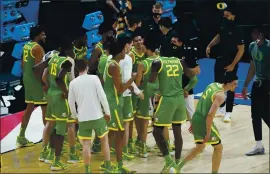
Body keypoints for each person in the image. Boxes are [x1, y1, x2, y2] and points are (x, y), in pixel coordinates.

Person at [178, 74, 238, 173]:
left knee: (199, 148)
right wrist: (208, 131)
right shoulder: (221, 95)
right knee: (218, 148)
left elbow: (200, 102)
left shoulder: (212, 85)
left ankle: (177, 167)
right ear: (228, 82)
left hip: (196, 117)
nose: (236, 86)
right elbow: (210, 115)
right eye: (235, 83)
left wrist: (193, 122)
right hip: (203, 120)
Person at [149, 55, 198, 173]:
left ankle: (168, 162)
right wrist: (185, 89)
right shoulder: (180, 61)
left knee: (156, 131)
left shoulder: (157, 63)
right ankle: (176, 165)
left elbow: (151, 84)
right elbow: (194, 79)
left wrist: (156, 91)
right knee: (177, 131)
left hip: (166, 101)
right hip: (180, 100)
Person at [68, 59, 114, 173]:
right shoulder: (94, 78)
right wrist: (107, 112)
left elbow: (70, 102)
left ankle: (87, 170)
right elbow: (102, 96)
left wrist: (75, 116)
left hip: (83, 118)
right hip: (97, 116)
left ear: (76, 69)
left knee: (86, 144)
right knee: (104, 141)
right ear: (87, 67)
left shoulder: (73, 83)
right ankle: (107, 165)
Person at [42, 39, 80, 171]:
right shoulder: (67, 61)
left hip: (51, 95)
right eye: (72, 49)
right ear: (69, 49)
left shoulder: (53, 59)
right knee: (68, 126)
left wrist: (47, 86)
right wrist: (67, 91)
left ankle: (47, 154)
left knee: (51, 124)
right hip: (61, 97)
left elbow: (44, 75)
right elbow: (62, 79)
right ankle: (68, 156)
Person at [103, 34, 136, 173]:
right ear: (120, 51)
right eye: (124, 50)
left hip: (114, 102)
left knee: (111, 134)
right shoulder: (114, 66)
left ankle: (107, 164)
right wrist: (132, 80)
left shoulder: (112, 63)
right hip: (113, 103)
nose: (126, 53)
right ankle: (119, 165)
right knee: (120, 133)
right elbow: (120, 89)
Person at [206, 6, 245, 122]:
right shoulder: (223, 25)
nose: (225, 17)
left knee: (231, 86)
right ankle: (221, 108)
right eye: (224, 15)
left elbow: (241, 50)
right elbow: (219, 36)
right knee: (218, 85)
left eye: (227, 16)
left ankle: (228, 112)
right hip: (220, 58)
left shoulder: (237, 30)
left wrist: (233, 65)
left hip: (231, 60)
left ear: (233, 16)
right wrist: (209, 45)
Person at [16, 25, 47, 148]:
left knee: (29, 108)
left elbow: (23, 65)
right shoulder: (38, 48)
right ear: (38, 35)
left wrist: (27, 78)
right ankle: (49, 140)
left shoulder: (26, 46)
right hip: (36, 81)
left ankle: (21, 136)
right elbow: (38, 69)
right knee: (45, 107)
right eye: (43, 34)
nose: (45, 36)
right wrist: (43, 83)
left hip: (27, 80)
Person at [242, 25, 270, 156]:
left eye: (257, 35)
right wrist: (246, 85)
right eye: (253, 35)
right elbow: (252, 67)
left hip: (268, 83)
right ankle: (259, 146)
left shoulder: (269, 47)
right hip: (257, 84)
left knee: (266, 113)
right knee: (255, 115)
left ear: (262, 35)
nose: (254, 37)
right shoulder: (252, 46)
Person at [135, 34, 160, 158]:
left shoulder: (142, 63)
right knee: (158, 121)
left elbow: (138, 82)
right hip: (159, 93)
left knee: (144, 121)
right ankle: (161, 145)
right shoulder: (160, 59)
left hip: (146, 94)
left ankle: (143, 147)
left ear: (147, 48)